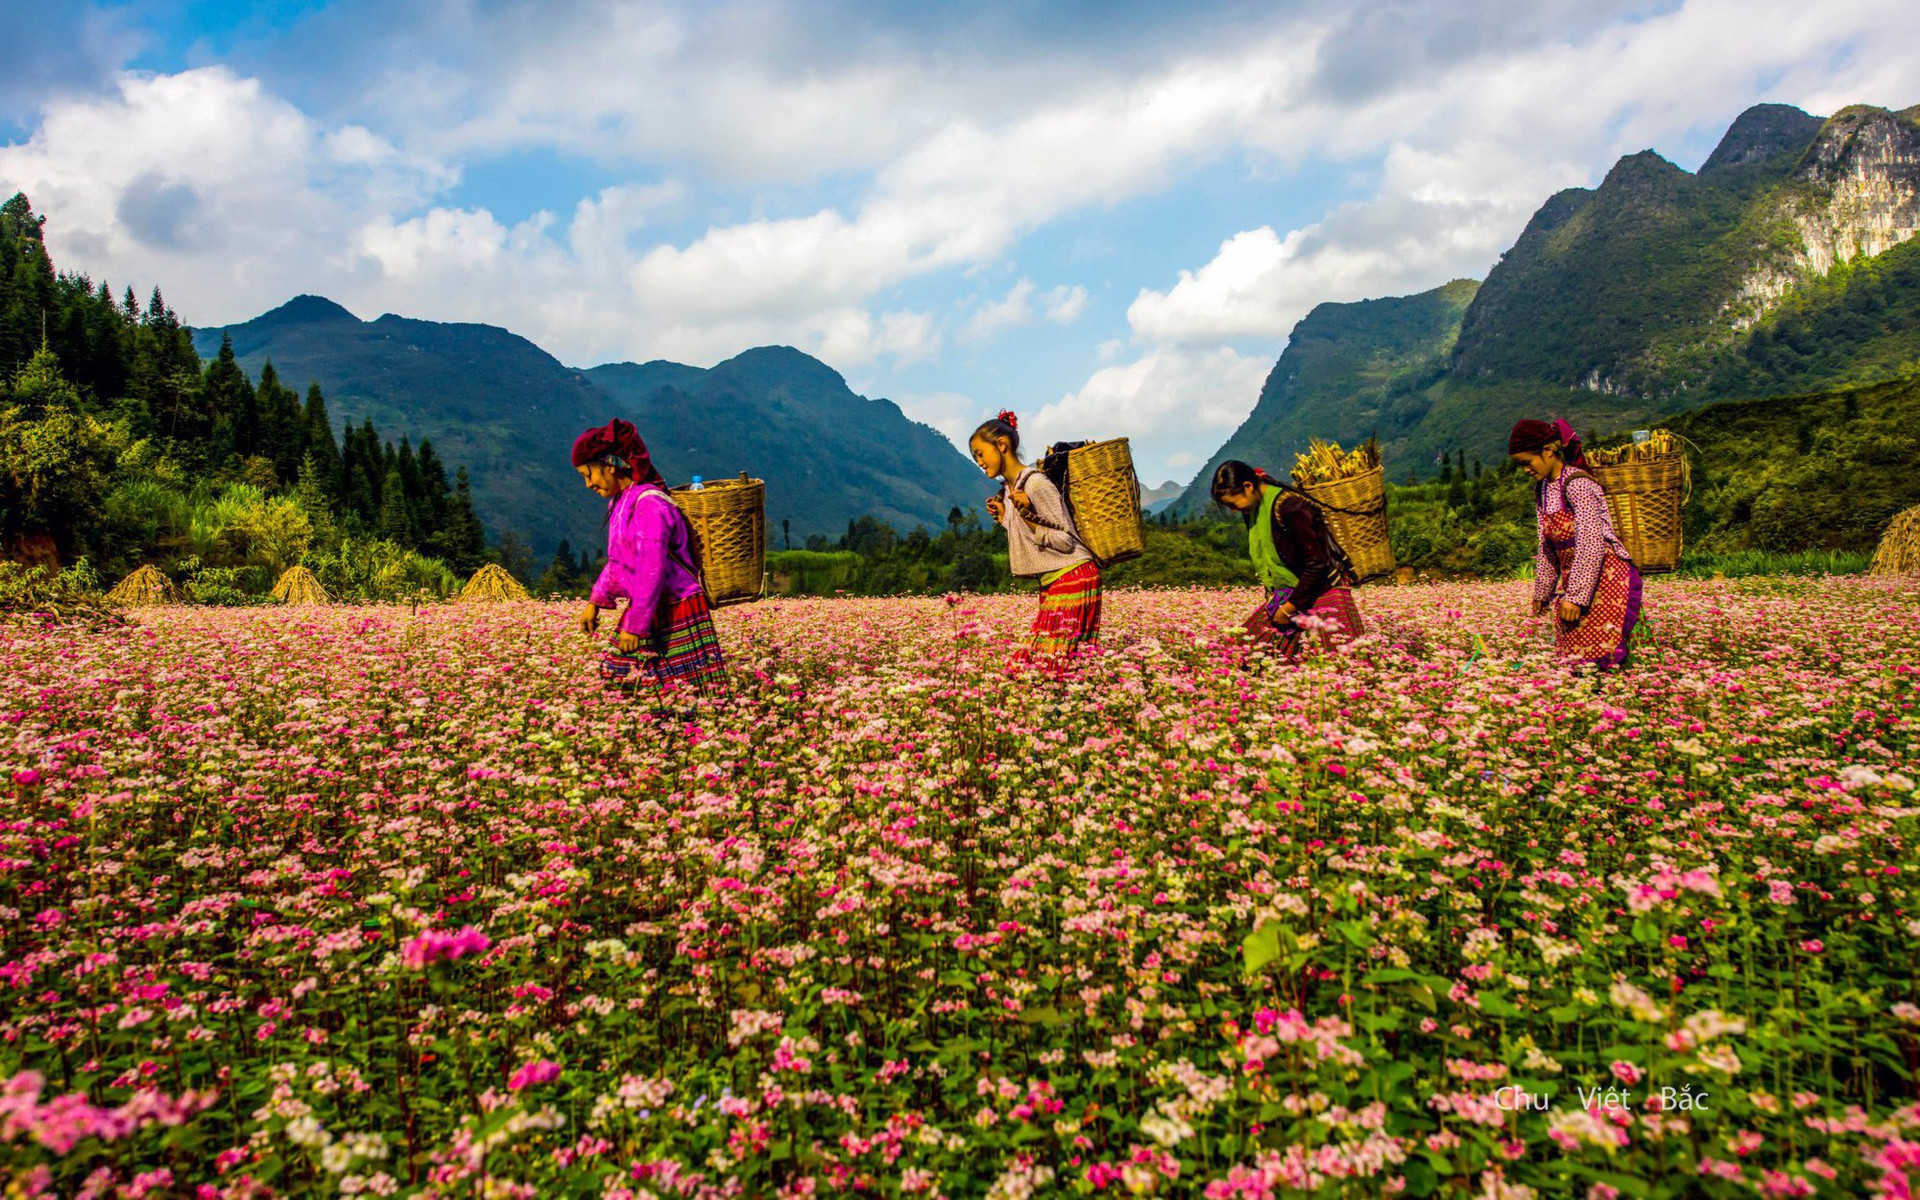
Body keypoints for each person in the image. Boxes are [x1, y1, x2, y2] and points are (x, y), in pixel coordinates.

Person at [570, 418, 727, 697]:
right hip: (650, 605)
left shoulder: (650, 504)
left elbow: (650, 569)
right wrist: (595, 602)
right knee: (632, 682)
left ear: (610, 465)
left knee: (684, 693)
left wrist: (636, 626)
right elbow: (618, 560)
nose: (587, 484)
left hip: (675, 606)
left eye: (587, 474)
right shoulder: (621, 501)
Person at [1508, 418, 1642, 670]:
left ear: (1548, 451)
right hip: (1580, 581)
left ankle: (1612, 702)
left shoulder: (1578, 484)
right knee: (1575, 657)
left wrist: (1577, 597)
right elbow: (1547, 548)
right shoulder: (1543, 490)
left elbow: (1591, 542)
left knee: (1603, 654)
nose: (1526, 469)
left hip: (1608, 579)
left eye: (1527, 462)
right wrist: (1542, 592)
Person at [969, 411, 1101, 662]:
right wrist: (1006, 518)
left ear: (1001, 445)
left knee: (1041, 665)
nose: (979, 462)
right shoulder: (1012, 488)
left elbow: (1065, 540)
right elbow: (1033, 535)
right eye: (975, 457)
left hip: (1073, 577)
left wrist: (1027, 515)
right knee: (1058, 666)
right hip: (1054, 581)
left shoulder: (1036, 484)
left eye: (980, 453)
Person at [1209, 460, 1364, 659]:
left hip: (1322, 587)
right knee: (1241, 655)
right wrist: (1275, 597)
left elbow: (1317, 563)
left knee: (1343, 664)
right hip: (1291, 591)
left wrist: (1289, 607)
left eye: (1233, 503)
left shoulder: (1290, 507)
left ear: (1248, 486)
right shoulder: (1253, 509)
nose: (1233, 510)